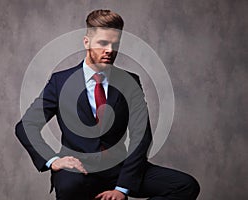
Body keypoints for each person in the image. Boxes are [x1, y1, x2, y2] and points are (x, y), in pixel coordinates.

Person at [15, 9, 200, 200]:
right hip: (79, 169)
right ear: (86, 42)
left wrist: (122, 188)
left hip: (118, 168)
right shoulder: (60, 82)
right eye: (103, 43)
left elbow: (141, 136)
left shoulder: (130, 82)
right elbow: (25, 126)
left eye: (115, 44)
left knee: (185, 186)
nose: (110, 50)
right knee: (70, 187)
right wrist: (53, 161)